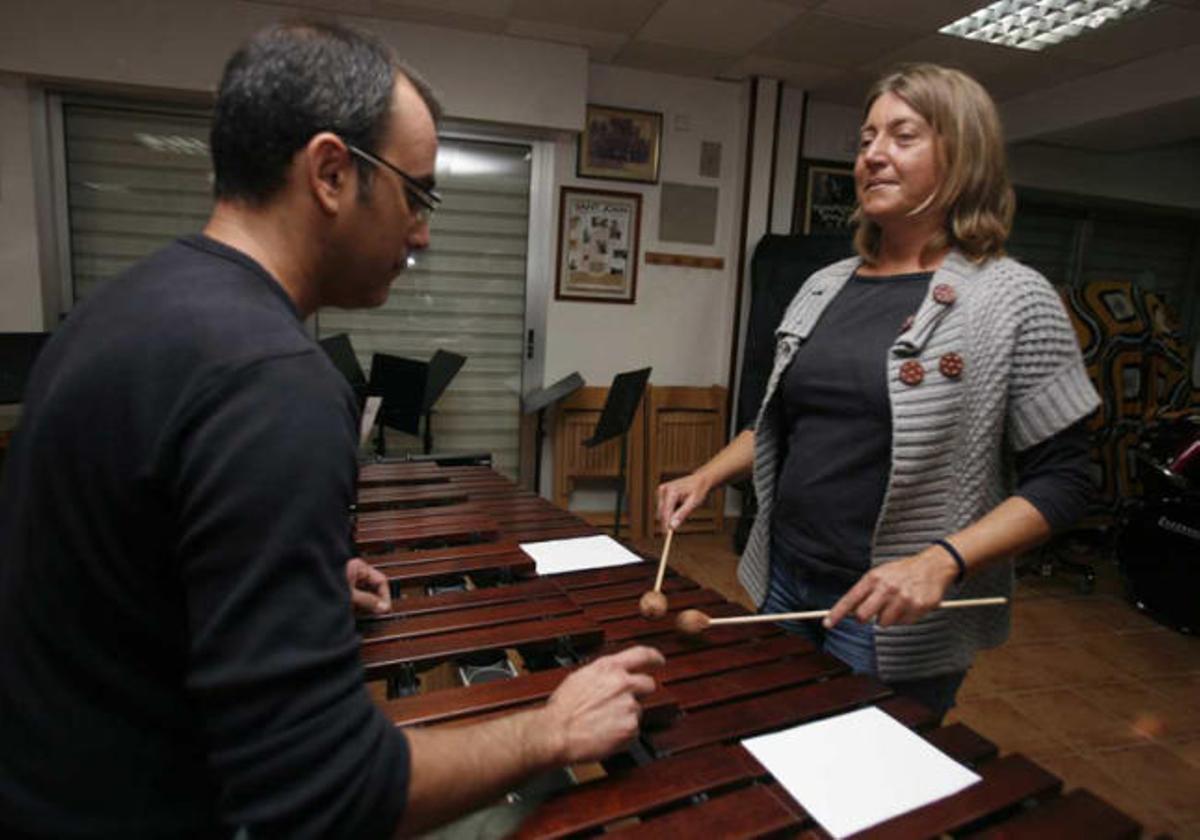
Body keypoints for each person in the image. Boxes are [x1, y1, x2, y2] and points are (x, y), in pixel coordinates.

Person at [0, 21, 662, 839]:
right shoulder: (275, 382)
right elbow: (327, 791)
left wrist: (271, 579)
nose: (421, 233)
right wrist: (549, 729)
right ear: (331, 172)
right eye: (416, 195)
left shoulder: (113, 309)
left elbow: (118, 571)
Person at [658, 64, 1098, 720]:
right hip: (788, 579)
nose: (873, 155)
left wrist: (943, 561)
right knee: (780, 751)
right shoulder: (823, 285)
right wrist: (706, 475)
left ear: (963, 156)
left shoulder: (1014, 297)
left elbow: (1067, 480)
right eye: (866, 139)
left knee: (862, 795)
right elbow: (786, 426)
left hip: (892, 613)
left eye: (903, 136)